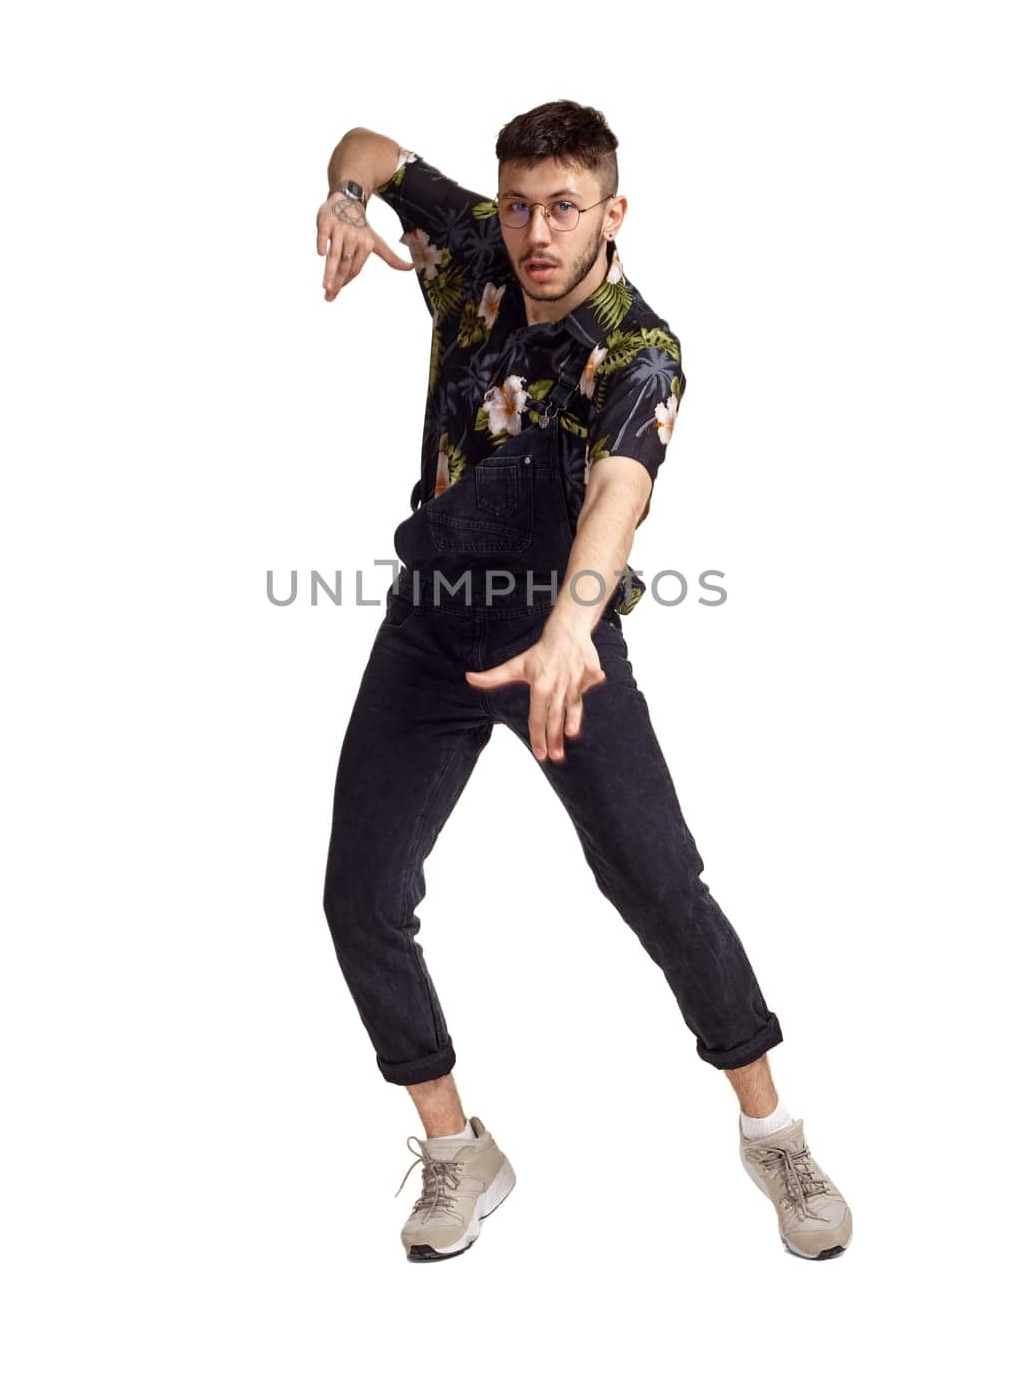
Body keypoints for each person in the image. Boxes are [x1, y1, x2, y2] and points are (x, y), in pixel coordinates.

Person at [317, 100, 852, 1264]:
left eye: (563, 207)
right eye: (518, 205)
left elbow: (618, 485)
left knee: (658, 882)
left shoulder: (636, 348)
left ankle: (771, 1132)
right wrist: (348, 202)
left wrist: (572, 621)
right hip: (430, 627)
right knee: (359, 894)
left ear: (612, 211)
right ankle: (457, 1149)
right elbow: (365, 140)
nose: (535, 231)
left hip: (560, 636)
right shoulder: (474, 248)